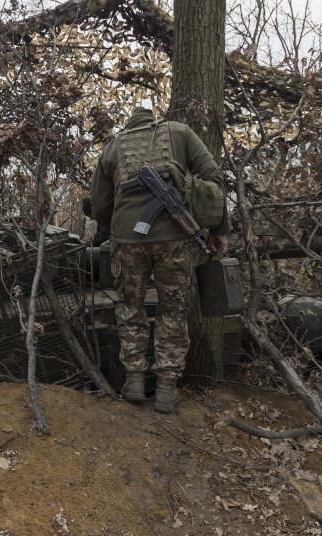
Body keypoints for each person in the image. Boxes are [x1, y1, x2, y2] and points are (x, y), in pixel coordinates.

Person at [89, 107, 229, 413]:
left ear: (129, 124)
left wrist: (116, 223)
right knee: (174, 310)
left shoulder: (113, 146)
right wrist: (219, 228)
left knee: (130, 307)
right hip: (174, 241)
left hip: (127, 241)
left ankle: (135, 380)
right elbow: (214, 177)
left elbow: (99, 204)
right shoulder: (180, 132)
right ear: (154, 119)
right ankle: (166, 388)